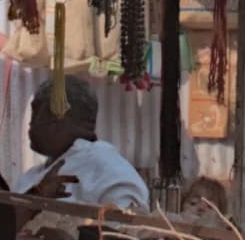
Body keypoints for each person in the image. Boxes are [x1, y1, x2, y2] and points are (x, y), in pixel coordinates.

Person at [18, 72, 153, 216]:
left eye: (36, 112)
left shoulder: (109, 169)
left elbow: (127, 227)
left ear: (59, 115)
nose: (30, 124)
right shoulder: (34, 173)